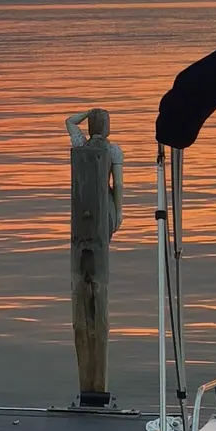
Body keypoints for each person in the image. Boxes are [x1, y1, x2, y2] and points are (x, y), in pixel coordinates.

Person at [66, 107, 125, 404]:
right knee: (96, 293)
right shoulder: (113, 150)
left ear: (90, 126)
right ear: (107, 125)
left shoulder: (79, 145)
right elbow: (118, 188)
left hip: (82, 218)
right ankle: (96, 389)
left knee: (82, 294)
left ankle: (88, 389)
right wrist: (119, 214)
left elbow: (67, 121)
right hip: (102, 217)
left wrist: (84, 114)